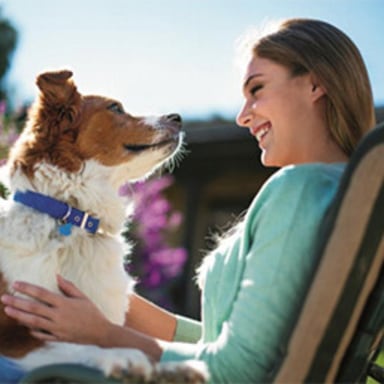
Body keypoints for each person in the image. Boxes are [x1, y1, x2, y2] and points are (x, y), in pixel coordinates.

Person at [0, 18, 376, 383]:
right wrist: (102, 299)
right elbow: (235, 347)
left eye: (257, 89)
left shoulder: (300, 189)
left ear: (315, 84)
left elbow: (235, 371)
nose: (243, 117)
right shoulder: (343, 196)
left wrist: (104, 333)